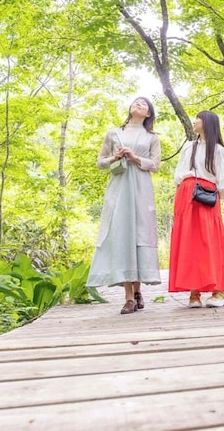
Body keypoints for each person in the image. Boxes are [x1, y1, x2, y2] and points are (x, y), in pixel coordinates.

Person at [87, 97, 162, 314]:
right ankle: (128, 297)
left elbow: (155, 165)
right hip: (119, 187)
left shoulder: (152, 137)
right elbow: (100, 162)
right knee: (121, 236)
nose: (138, 104)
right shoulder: (114, 133)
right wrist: (115, 157)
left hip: (141, 188)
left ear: (148, 114)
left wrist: (135, 157)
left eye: (143, 104)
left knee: (140, 235)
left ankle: (138, 291)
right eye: (136, 102)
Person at [169, 110, 224, 308]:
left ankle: (219, 291)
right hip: (186, 196)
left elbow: (222, 180)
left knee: (210, 240)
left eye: (199, 118)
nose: (195, 121)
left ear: (208, 123)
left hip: (207, 196)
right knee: (190, 242)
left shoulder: (218, 149)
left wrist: (217, 201)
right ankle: (194, 292)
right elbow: (179, 175)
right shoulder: (189, 146)